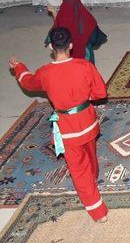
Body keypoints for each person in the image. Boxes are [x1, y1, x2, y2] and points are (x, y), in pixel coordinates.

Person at [8, 27, 109, 222]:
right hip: (88, 122)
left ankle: (98, 212)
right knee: (90, 154)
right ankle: (93, 181)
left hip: (67, 128)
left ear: (51, 46)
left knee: (78, 169)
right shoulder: (85, 66)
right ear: (71, 45)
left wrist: (19, 66)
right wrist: (84, 97)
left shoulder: (45, 73)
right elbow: (101, 93)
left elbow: (28, 82)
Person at [47, 0, 107, 64]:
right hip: (85, 57)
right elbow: (95, 35)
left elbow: (56, 30)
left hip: (66, 55)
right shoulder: (87, 16)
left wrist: (54, 12)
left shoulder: (63, 15)